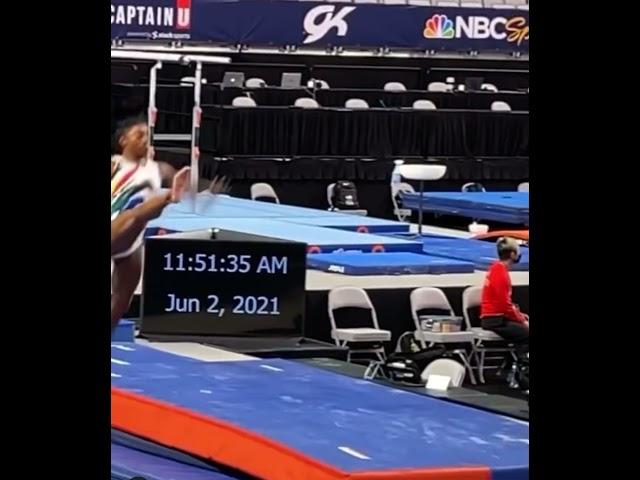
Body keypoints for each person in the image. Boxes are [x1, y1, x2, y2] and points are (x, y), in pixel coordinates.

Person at [480, 237, 529, 353]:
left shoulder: (497, 268)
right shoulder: (499, 272)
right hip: (495, 320)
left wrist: (520, 316)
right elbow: (504, 305)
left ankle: (510, 365)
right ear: (513, 254)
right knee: (526, 334)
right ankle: (521, 365)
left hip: (498, 318)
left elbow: (505, 303)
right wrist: (521, 321)